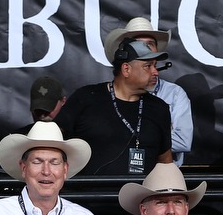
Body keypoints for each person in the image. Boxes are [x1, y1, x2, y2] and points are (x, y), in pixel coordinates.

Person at [55, 40, 173, 176]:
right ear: (126, 69)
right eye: (148, 66)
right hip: (88, 194)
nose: (155, 72)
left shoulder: (159, 108)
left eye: (155, 66)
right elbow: (54, 143)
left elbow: (165, 161)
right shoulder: (86, 98)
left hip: (141, 195)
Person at [102, 18, 193, 163]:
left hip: (162, 180)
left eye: (150, 44)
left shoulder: (174, 94)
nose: (146, 49)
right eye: (138, 45)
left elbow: (183, 141)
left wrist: (130, 137)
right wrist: (159, 132)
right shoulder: (105, 95)